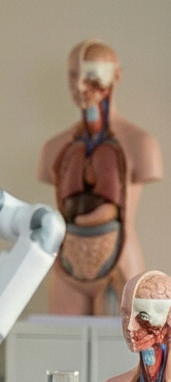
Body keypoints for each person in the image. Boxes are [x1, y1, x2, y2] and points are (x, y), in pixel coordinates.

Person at [38, 39, 163, 315]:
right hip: (67, 264)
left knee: (129, 349)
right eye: (73, 75)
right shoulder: (55, 148)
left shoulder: (140, 144)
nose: (81, 85)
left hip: (119, 259)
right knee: (62, 346)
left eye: (92, 74)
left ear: (116, 76)